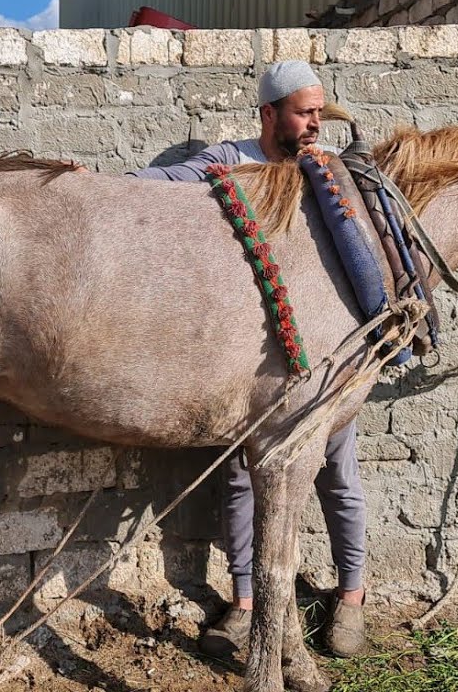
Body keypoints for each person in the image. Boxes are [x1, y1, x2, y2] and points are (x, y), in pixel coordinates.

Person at [129, 60, 368, 659]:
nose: (315, 123)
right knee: (240, 476)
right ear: (269, 114)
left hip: (327, 358)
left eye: (319, 111)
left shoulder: (331, 171)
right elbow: (167, 181)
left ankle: (350, 598)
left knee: (337, 475)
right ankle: (246, 601)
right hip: (258, 360)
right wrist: (97, 181)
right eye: (304, 112)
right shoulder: (231, 160)